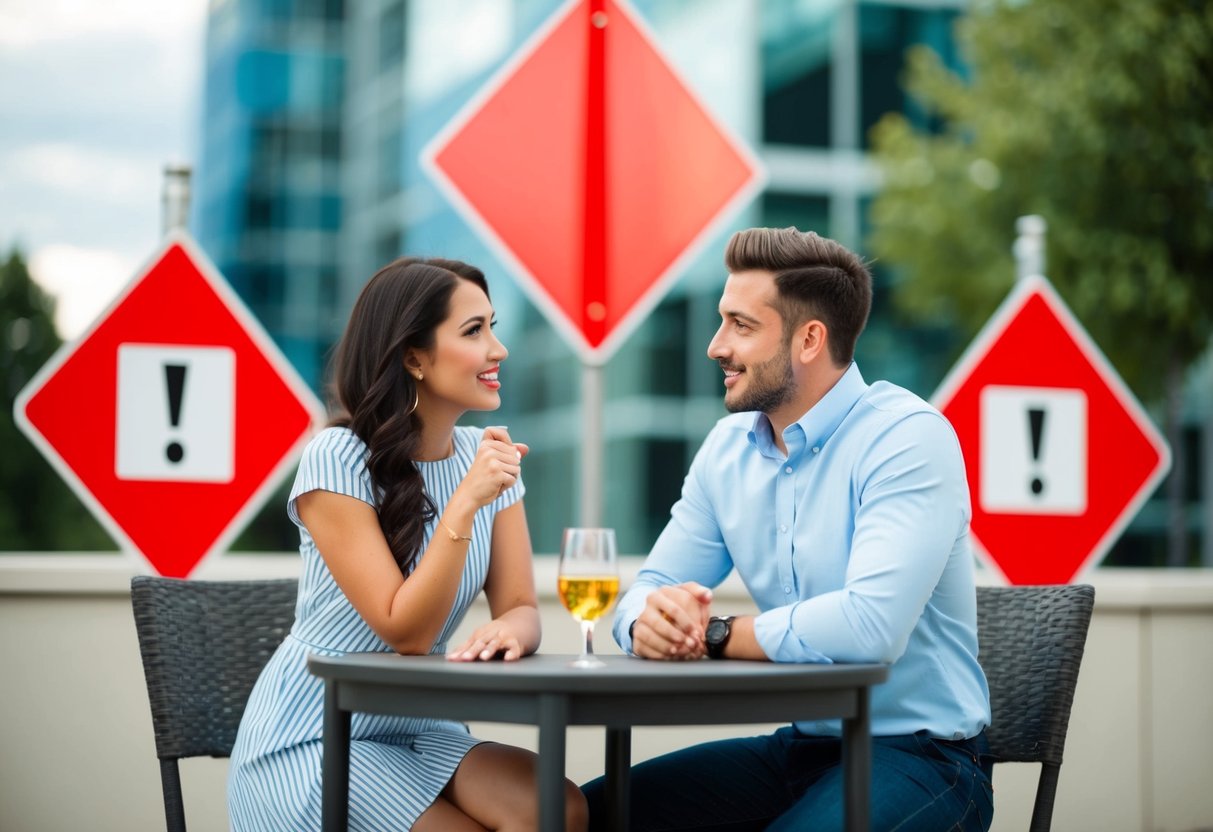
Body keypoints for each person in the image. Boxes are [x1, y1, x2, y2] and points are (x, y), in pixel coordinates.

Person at [582, 227, 993, 831]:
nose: (715, 346)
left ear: (809, 339)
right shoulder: (727, 450)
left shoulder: (908, 438)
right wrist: (650, 623)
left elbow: (869, 625)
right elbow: (651, 584)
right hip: (799, 748)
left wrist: (716, 633)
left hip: (924, 759)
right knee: (582, 814)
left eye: (741, 326)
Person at [228, 257, 588, 832]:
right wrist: (465, 503)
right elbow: (407, 632)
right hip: (317, 734)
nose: (499, 350)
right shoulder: (338, 458)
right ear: (413, 357)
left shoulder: (486, 456)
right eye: (474, 331)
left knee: (561, 809)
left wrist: (507, 632)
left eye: (493, 326)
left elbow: (520, 606)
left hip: (421, 727)